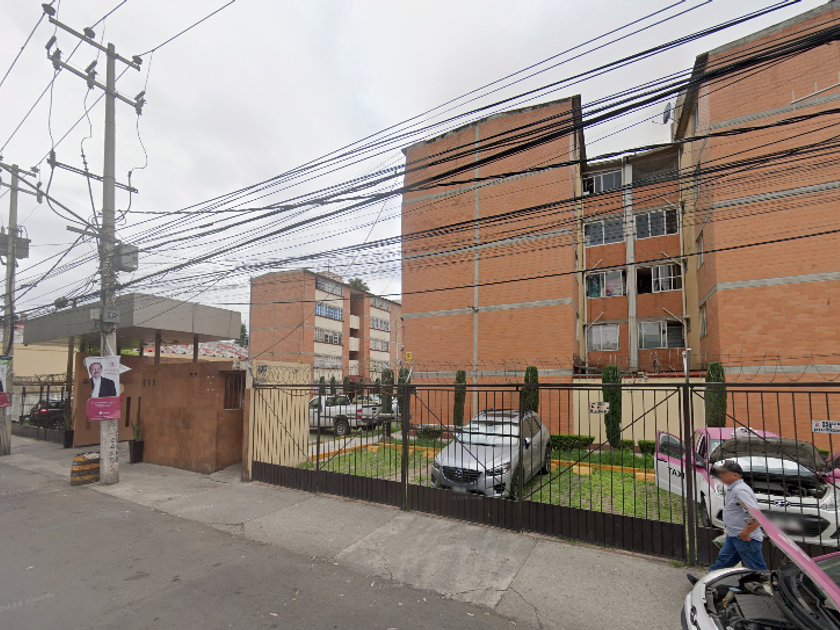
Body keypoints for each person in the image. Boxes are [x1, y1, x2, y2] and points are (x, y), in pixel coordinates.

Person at [687, 460, 767, 585]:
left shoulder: (740, 490)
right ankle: (705, 583)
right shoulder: (733, 489)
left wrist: (746, 533)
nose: (720, 475)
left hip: (746, 539)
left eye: (723, 473)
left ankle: (766, 590)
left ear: (734, 475)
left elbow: (757, 516)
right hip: (735, 535)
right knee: (723, 562)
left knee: (756, 569)